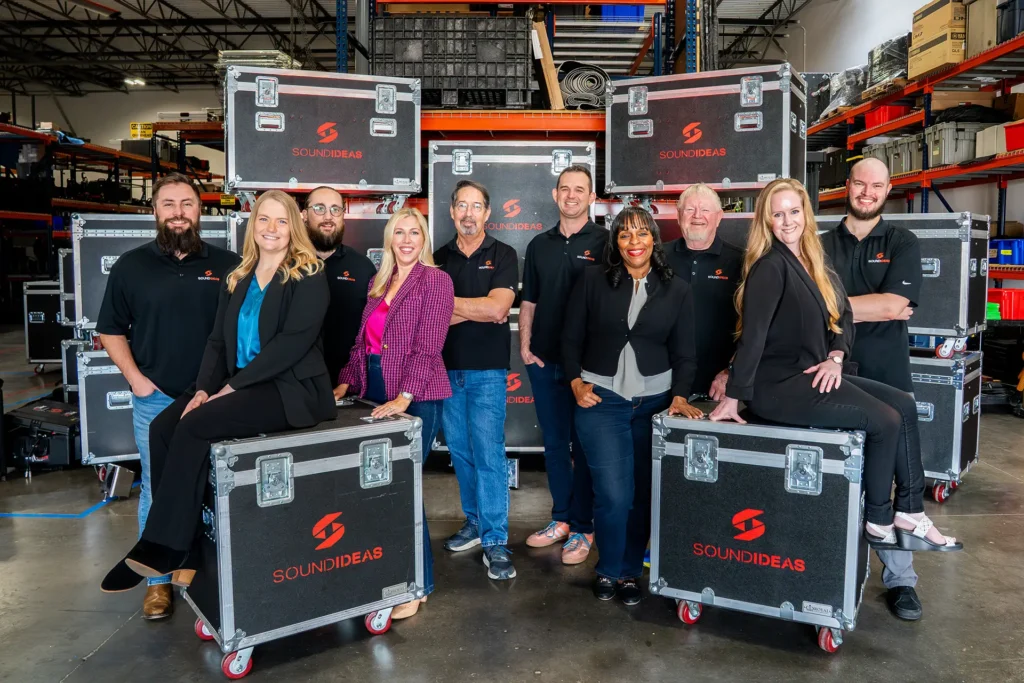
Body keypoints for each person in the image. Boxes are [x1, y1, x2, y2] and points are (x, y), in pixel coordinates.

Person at [709, 179, 961, 561]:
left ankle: (910, 511)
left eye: (794, 211)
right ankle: (879, 518)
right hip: (778, 386)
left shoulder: (814, 261)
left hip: (814, 372)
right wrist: (733, 396)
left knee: (904, 406)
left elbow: (842, 317)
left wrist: (836, 357)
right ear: (767, 221)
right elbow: (753, 338)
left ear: (805, 214)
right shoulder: (770, 267)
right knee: (885, 421)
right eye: (778, 214)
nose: (788, 220)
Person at [101, 190, 335, 591]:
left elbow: (290, 345)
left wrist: (229, 388)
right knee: (163, 427)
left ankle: (160, 545)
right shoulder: (238, 277)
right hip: (239, 383)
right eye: (263, 219)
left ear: (293, 227)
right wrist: (202, 390)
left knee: (194, 427)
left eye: (281, 221)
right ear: (253, 226)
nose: (272, 229)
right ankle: (187, 547)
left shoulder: (308, 273)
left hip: (289, 389)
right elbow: (217, 343)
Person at [95, 173, 239, 619]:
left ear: (201, 210)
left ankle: (210, 572)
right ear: (155, 211)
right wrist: (138, 381)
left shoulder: (230, 264)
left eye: (188, 204)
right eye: (169, 204)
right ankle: (157, 582)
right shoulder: (131, 266)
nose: (178, 212)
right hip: (156, 401)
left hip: (216, 400)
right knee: (158, 488)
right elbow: (110, 330)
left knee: (221, 486)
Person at [562, 207, 702, 605]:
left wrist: (679, 394)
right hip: (601, 401)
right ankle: (608, 567)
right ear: (616, 242)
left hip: (654, 404)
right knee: (614, 494)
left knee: (642, 494)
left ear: (654, 239)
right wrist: (574, 381)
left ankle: (627, 574)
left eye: (642, 234)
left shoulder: (677, 289)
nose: (634, 242)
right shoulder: (592, 280)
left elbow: (686, 353)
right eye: (625, 235)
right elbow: (569, 339)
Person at [821, 157, 926, 622]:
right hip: (830, 372)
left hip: (886, 376)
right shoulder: (819, 243)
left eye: (876, 186)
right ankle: (827, 567)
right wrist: (876, 307)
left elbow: (894, 304)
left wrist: (832, 307)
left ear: (888, 190)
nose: (866, 192)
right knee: (831, 469)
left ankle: (901, 580)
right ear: (848, 186)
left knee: (895, 476)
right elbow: (809, 305)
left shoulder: (902, 241)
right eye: (860, 183)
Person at [337, 207, 453, 619]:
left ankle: (417, 585)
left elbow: (429, 346)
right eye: (399, 232)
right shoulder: (377, 282)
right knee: (375, 488)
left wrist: (404, 397)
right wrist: (344, 384)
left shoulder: (436, 281)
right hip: (374, 389)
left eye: (414, 233)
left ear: (423, 240)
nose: (406, 240)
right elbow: (361, 345)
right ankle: (382, 573)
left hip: (415, 394)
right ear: (389, 240)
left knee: (403, 487)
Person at [520, 164, 606, 564]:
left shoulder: (607, 242)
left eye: (580, 190)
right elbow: (529, 301)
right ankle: (561, 520)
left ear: (592, 198)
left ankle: (585, 527)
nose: (571, 196)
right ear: (555, 195)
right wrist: (525, 347)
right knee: (555, 446)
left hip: (589, 370)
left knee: (586, 447)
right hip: (544, 362)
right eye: (565, 189)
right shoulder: (539, 245)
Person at [433, 180, 518, 581]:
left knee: (489, 454)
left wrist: (450, 306)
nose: (469, 213)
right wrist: (477, 308)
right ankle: (474, 522)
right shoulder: (436, 258)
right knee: (462, 453)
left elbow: (499, 308)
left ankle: (496, 538)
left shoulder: (503, 254)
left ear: (487, 213)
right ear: (452, 211)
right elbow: (429, 319)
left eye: (476, 206)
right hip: (445, 372)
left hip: (487, 372)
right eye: (461, 206)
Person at [663, 184, 744, 399]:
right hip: (661, 381)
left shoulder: (741, 262)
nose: (697, 216)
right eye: (689, 210)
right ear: (679, 216)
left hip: (718, 385)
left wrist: (731, 372)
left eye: (705, 210)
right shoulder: (658, 257)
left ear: (719, 217)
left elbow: (755, 328)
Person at [302, 186, 377, 385]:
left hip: (348, 384)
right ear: (304, 215)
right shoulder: (287, 264)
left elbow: (370, 332)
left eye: (335, 209)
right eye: (319, 208)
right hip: (294, 384)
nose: (328, 216)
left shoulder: (362, 267)